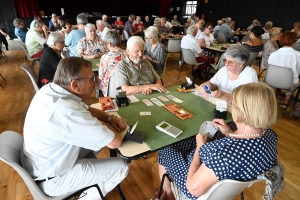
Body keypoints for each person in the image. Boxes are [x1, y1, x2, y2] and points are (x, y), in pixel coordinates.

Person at [21, 57, 129, 199]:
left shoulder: (50, 89)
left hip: (43, 163)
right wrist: (99, 125)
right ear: (75, 85)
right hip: (52, 179)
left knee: (96, 144)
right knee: (121, 167)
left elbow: (87, 109)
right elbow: (115, 142)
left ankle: (92, 181)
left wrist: (110, 118)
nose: (96, 83)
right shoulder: (67, 112)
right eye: (92, 79)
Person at [157, 82, 278, 200]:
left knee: (165, 149)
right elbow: (244, 148)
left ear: (244, 114)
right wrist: (229, 132)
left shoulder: (221, 154)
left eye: (233, 105)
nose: (231, 107)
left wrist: (199, 149)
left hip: (199, 189)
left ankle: (168, 194)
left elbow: (192, 188)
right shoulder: (271, 136)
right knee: (187, 142)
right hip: (234, 175)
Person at [268, 31, 300, 107]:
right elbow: (298, 72)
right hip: (289, 84)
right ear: (294, 42)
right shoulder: (298, 55)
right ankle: (286, 100)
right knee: (293, 79)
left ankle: (273, 95)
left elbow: (270, 68)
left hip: (272, 81)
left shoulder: (273, 54)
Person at [99, 31, 126, 97]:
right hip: (129, 89)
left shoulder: (105, 57)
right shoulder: (129, 54)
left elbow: (101, 76)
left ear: (109, 44)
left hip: (111, 91)